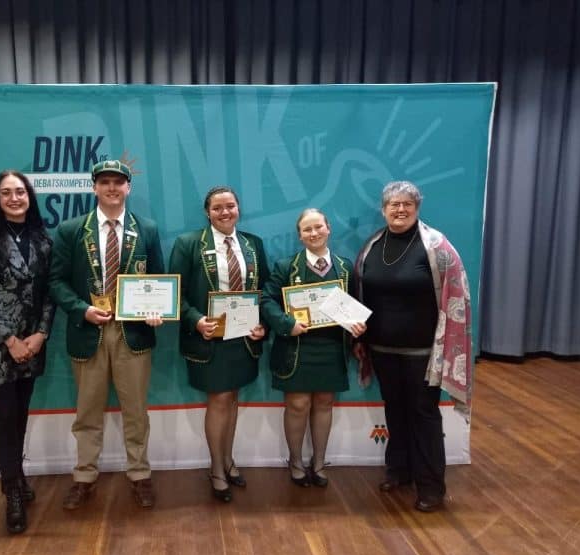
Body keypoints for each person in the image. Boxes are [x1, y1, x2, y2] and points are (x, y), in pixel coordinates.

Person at [49, 159, 164, 510]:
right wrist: (81, 308)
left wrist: (157, 308)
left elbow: (158, 279)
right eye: (105, 182)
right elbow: (55, 281)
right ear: (94, 187)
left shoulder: (146, 228)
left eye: (118, 182)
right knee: (87, 411)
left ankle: (140, 475)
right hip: (89, 330)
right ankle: (84, 476)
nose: (112, 188)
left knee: (136, 411)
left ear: (128, 187)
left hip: (133, 333)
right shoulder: (71, 230)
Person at [353, 181, 472, 512]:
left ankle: (431, 487)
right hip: (382, 349)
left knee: (424, 415)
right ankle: (399, 471)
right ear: (383, 209)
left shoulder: (437, 247)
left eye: (407, 204)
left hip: (424, 353)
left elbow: (457, 297)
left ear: (417, 208)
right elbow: (362, 294)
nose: (400, 209)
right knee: (395, 410)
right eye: (393, 204)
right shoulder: (372, 245)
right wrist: (360, 336)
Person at [0, 169, 55, 534]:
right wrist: (10, 340)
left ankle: (15, 476)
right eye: (6, 193)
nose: (14, 198)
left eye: (20, 191)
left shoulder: (43, 241)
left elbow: (49, 294)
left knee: (19, 415)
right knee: (3, 418)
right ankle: (12, 492)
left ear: (29, 197)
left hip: (31, 346)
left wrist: (40, 335)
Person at [169, 185, 269, 502]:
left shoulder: (253, 244)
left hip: (243, 339)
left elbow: (264, 291)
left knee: (233, 398)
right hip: (209, 337)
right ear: (207, 212)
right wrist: (197, 320)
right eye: (217, 208)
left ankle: (228, 460)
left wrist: (262, 325)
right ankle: (216, 468)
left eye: (230, 206)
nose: (225, 212)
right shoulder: (188, 244)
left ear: (239, 208)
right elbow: (175, 292)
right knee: (220, 398)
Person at [261, 208, 365, 487]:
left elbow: (356, 307)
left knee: (324, 402)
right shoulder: (286, 267)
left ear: (328, 228)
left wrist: (357, 327)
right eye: (307, 229)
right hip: (295, 347)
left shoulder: (345, 267)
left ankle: (319, 462)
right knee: (297, 404)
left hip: (331, 346)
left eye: (318, 227)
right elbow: (266, 301)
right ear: (300, 236)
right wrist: (286, 322)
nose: (313, 233)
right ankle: (295, 462)